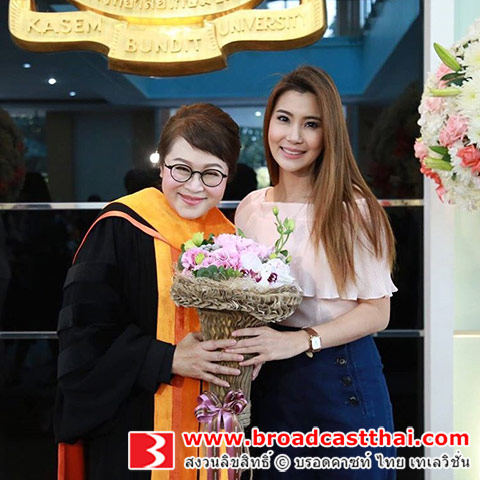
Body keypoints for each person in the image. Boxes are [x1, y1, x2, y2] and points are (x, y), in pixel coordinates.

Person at [54, 103, 244, 480]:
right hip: (134, 425)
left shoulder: (232, 241)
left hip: (213, 431)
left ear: (228, 176)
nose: (194, 186)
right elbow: (83, 340)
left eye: (211, 174)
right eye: (181, 169)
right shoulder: (120, 227)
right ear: (161, 166)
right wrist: (166, 359)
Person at [232, 66, 397, 479]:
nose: (293, 137)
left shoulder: (353, 210)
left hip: (340, 377)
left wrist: (300, 340)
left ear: (329, 135)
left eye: (311, 124)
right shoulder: (250, 208)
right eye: (284, 119)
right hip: (270, 382)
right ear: (269, 124)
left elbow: (377, 312)